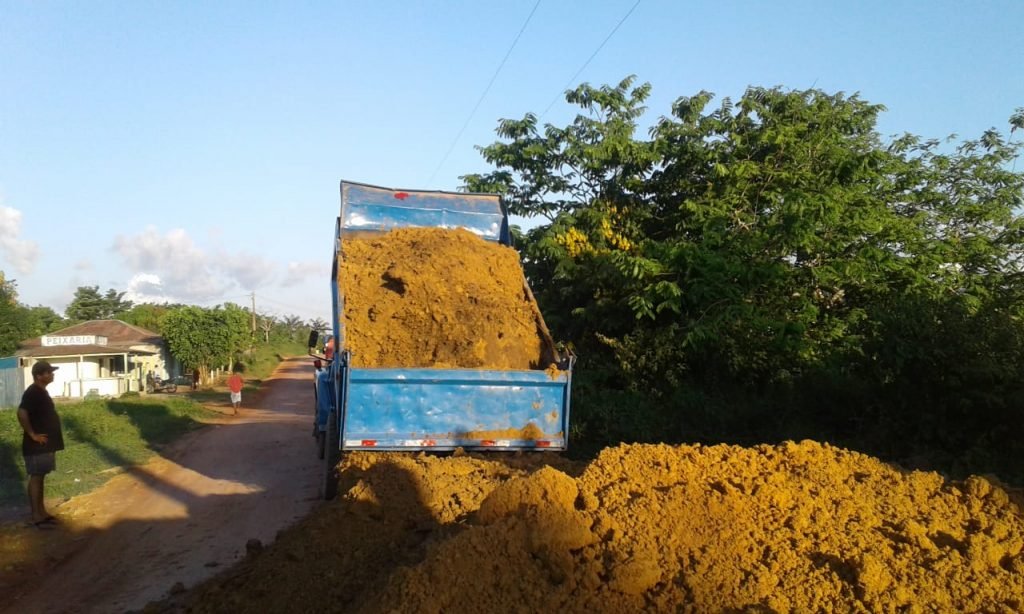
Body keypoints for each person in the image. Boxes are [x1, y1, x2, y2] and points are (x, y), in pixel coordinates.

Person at [17, 360, 65, 529]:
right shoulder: (33, 392)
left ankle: (42, 512)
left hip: (45, 445)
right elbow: (21, 413)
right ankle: (36, 515)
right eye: (49, 372)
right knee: (36, 477)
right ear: (39, 376)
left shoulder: (40, 392)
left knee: (41, 476)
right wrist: (33, 435)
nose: (52, 374)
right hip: (36, 445)